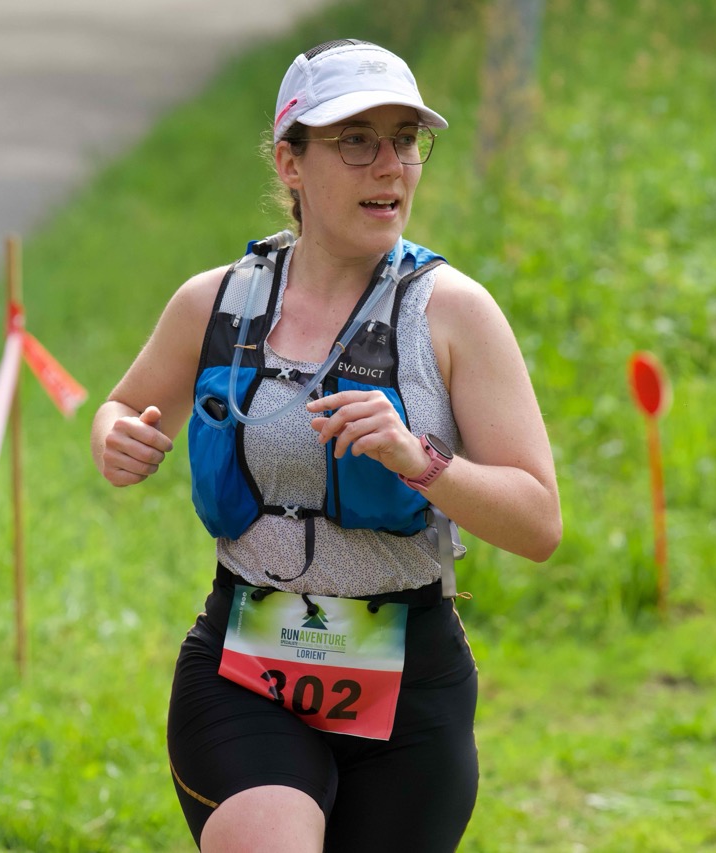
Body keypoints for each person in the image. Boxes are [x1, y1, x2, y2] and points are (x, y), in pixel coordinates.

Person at [90, 38, 561, 853]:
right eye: (355, 140)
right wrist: (115, 438)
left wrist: (421, 460)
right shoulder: (217, 302)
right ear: (291, 162)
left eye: (405, 140)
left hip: (410, 689)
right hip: (245, 673)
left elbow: (539, 522)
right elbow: (125, 406)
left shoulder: (454, 314)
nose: (390, 165)